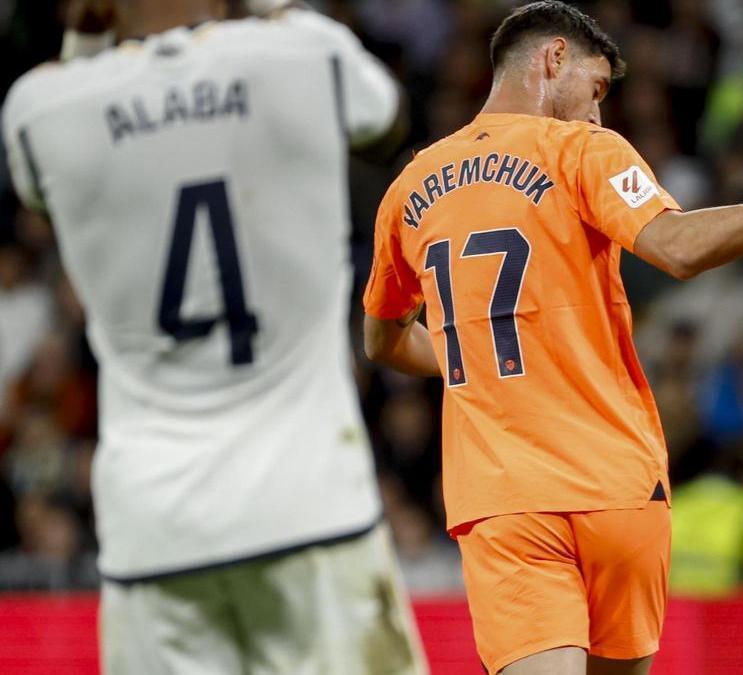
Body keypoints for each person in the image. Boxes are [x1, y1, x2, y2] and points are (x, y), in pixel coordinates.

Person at [361, 2, 743, 673]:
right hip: (617, 488)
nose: (599, 113)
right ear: (552, 61)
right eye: (596, 89)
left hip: (505, 499)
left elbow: (382, 338)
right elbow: (681, 248)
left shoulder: (409, 188)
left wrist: (477, 358)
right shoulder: (580, 150)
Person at [1, 1, 427, 673]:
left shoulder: (43, 107)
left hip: (154, 531)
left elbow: (44, 191)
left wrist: (87, 33)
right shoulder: (304, 57)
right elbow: (388, 119)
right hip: (312, 508)